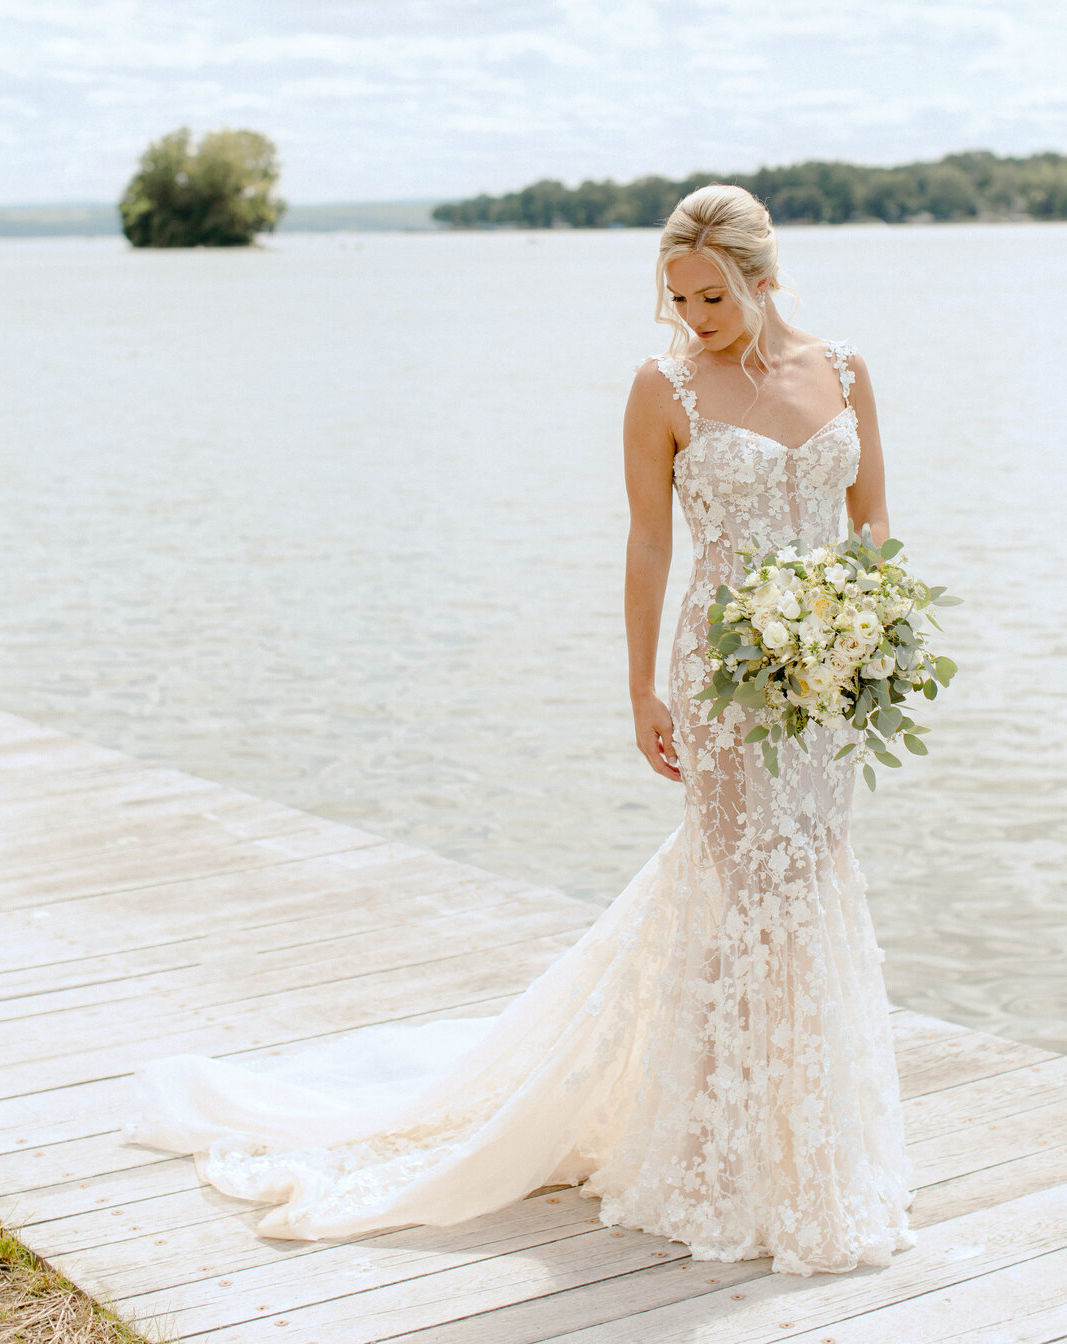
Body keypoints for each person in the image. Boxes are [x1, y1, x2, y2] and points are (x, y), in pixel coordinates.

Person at [126, 184, 914, 1275]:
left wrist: (871, 629)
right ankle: (718, 1154)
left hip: (825, 682)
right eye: (678, 297)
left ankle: (809, 1146)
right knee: (741, 889)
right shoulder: (663, 387)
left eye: (713, 296)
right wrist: (642, 687)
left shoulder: (847, 371)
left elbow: (873, 520)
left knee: (811, 879)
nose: (695, 316)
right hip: (725, 679)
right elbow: (647, 546)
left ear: (762, 275)